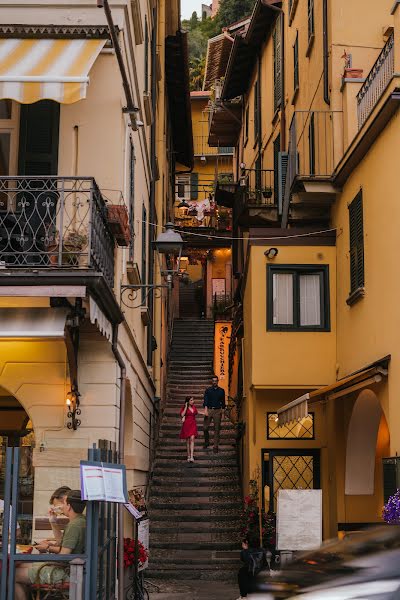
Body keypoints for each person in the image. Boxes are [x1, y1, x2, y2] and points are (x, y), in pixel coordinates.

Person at [15, 489, 86, 600]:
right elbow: (62, 543)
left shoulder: (75, 525)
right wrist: (53, 521)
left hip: (66, 573)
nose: (61, 507)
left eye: (63, 503)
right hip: (70, 569)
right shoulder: (80, 521)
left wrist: (47, 548)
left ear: (69, 505)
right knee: (20, 566)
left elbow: (64, 555)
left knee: (13, 575)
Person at [236, 536, 265, 600]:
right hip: (260, 571)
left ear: (246, 543)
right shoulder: (263, 550)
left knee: (242, 572)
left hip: (251, 572)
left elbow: (244, 560)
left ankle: (244, 596)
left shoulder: (245, 552)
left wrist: (245, 550)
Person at [203, 375, 225, 453]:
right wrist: (205, 410)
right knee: (205, 427)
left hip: (217, 411)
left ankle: (215, 446)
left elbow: (223, 402)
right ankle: (207, 442)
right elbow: (205, 400)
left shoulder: (221, 390)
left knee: (217, 429)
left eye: (216, 381)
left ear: (217, 381)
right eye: (213, 381)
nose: (214, 382)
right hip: (209, 410)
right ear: (211, 382)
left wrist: (223, 413)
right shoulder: (208, 390)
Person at [180, 396, 199, 462]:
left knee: (192, 439)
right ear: (188, 401)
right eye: (191, 400)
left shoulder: (194, 407)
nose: (193, 401)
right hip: (186, 425)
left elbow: (196, 412)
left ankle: (191, 456)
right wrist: (185, 406)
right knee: (187, 441)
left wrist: (204, 413)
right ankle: (188, 455)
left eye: (193, 400)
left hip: (193, 424)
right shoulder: (184, 407)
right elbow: (182, 415)